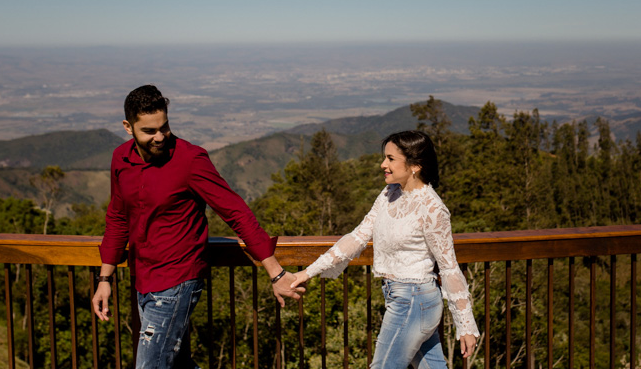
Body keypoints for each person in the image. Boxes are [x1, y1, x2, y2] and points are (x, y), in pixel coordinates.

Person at [91, 85, 302, 369]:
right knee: (176, 364)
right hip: (142, 278)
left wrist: (275, 272)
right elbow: (117, 217)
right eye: (149, 131)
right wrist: (105, 279)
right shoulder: (121, 159)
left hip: (177, 281)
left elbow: (235, 211)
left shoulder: (190, 160)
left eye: (164, 127)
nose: (159, 137)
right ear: (128, 127)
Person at [290, 130, 479, 369]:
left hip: (414, 300)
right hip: (405, 300)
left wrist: (465, 326)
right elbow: (358, 236)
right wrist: (307, 272)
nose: (383, 164)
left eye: (390, 159)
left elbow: (449, 268)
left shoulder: (432, 209)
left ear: (415, 166)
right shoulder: (390, 193)